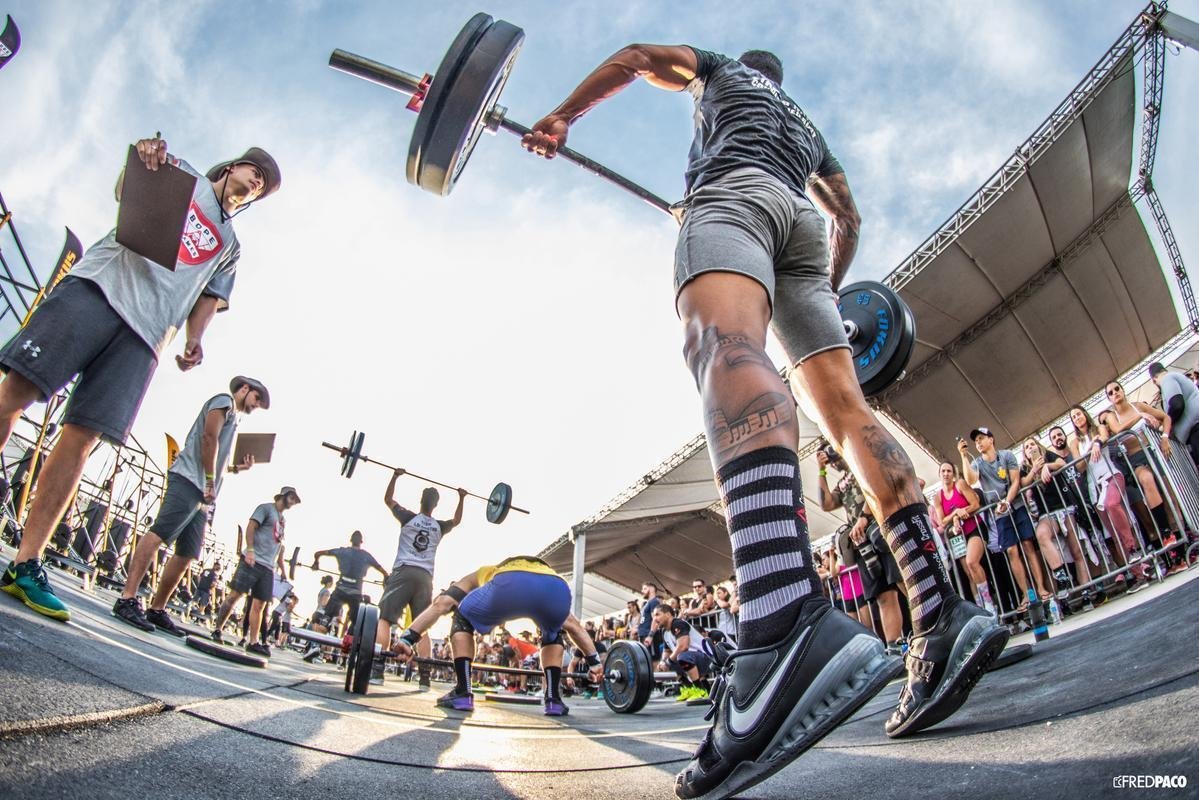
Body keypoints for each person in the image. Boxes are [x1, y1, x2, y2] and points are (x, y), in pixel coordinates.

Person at [524, 44, 1005, 798]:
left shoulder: (716, 72)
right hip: (801, 229)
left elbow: (636, 56)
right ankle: (940, 614)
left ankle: (779, 623)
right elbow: (846, 215)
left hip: (732, 200)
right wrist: (822, 287)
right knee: (847, 411)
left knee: (725, 344)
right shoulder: (807, 131)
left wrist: (562, 115)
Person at [0, 139, 281, 622]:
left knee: (83, 438)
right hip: (99, 288)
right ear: (233, 165)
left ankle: (26, 563)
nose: (256, 183)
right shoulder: (184, 174)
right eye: (255, 172)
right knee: (15, 394)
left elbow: (208, 297)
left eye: (263, 186)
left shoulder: (231, 246)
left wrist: (196, 339)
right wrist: (145, 157)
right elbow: (125, 188)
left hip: (147, 334)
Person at [112, 376, 267, 633]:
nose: (256, 405)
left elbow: (214, 457)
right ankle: (127, 598)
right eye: (256, 398)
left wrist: (234, 469)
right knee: (160, 533)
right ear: (245, 389)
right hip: (189, 479)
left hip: (203, 493)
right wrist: (208, 481)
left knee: (188, 553)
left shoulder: (235, 419)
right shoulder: (224, 401)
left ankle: (157, 608)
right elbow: (208, 438)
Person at [392, 555, 604, 717]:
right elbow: (575, 626)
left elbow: (442, 604)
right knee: (554, 630)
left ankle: (463, 692)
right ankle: (553, 700)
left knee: (462, 617)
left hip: (510, 584)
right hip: (556, 586)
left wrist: (407, 639)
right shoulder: (542, 573)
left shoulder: (485, 572)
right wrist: (595, 664)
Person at [375, 471, 466, 688]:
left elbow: (388, 500)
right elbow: (457, 520)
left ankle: (377, 669)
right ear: (435, 505)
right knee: (420, 627)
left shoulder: (408, 517)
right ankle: (424, 677)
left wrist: (395, 476)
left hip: (403, 572)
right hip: (425, 578)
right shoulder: (438, 526)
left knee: (385, 619)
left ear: (421, 501)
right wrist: (462, 498)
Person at [960, 428, 1048, 610]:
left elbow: (1015, 480)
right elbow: (970, 480)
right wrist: (963, 456)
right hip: (999, 512)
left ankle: (1040, 588)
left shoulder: (1006, 455)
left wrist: (1008, 501)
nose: (978, 442)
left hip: (1016, 504)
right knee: (1011, 551)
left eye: (981, 438)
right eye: (976, 440)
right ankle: (1026, 593)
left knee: (1027, 545)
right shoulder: (977, 463)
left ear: (991, 439)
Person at [209, 486, 300, 656]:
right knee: (234, 596)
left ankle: (253, 642)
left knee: (259, 605)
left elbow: (278, 546)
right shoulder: (265, 508)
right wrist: (250, 549)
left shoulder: (282, 520)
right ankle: (217, 629)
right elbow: (251, 527)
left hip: (267, 567)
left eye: (296, 500)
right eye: (292, 498)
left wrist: (282, 570)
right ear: (284, 496)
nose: (294, 502)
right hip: (252, 561)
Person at [1069, 407, 1150, 591]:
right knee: (1113, 531)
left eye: (1079, 414)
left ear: (1085, 414)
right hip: (1094, 486)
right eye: (1073, 417)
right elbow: (1080, 466)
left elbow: (1104, 437)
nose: (1077, 418)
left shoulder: (1098, 427)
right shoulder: (1075, 442)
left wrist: (1097, 442)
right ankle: (1139, 574)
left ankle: (1133, 549)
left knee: (1111, 504)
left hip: (1111, 475)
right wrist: (1090, 448)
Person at [930, 461, 992, 613]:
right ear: (939, 474)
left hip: (974, 527)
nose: (946, 474)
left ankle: (989, 603)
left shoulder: (960, 484)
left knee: (972, 562)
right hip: (957, 535)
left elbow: (975, 504)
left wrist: (962, 511)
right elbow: (942, 520)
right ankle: (980, 607)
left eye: (949, 471)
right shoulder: (938, 496)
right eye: (943, 471)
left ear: (953, 474)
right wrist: (956, 514)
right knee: (969, 573)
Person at [312, 530, 387, 634]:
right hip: (355, 594)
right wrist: (385, 580)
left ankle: (316, 643)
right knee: (356, 624)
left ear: (351, 540)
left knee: (325, 619)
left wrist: (316, 563)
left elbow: (318, 553)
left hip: (340, 591)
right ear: (361, 542)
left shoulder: (342, 551)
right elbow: (383, 571)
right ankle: (348, 644)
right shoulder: (366, 556)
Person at [654, 603, 714, 700]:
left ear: (668, 614)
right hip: (691, 658)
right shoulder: (664, 631)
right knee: (670, 661)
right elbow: (667, 651)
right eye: (654, 615)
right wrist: (662, 662)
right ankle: (689, 688)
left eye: (657, 614)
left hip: (707, 658)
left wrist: (668, 661)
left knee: (681, 656)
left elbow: (683, 646)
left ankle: (701, 690)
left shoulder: (678, 623)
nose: (655, 619)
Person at [1150, 362, 1199, 466]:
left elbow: (1177, 404)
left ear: (1153, 380)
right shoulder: (1174, 376)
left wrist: (1166, 425)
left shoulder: (1167, 379)